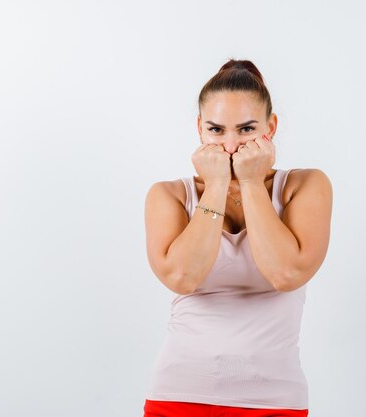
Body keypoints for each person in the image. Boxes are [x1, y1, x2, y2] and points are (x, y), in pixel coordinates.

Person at [142, 58, 333, 417]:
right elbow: (183, 277)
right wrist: (215, 185)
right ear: (199, 128)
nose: (231, 145)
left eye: (246, 129)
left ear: (270, 127)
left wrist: (249, 182)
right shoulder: (168, 195)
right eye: (216, 130)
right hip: (178, 396)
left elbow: (286, 274)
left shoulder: (304, 186)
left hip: (274, 401)